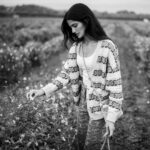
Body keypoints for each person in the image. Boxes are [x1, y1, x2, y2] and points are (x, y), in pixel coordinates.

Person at [27, 3, 123, 150]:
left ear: (86, 21)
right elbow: (66, 73)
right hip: (84, 99)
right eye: (70, 27)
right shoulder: (76, 47)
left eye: (75, 25)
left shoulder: (107, 47)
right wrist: (43, 91)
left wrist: (111, 118)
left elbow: (115, 84)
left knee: (91, 144)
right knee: (80, 140)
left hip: (100, 102)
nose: (72, 30)